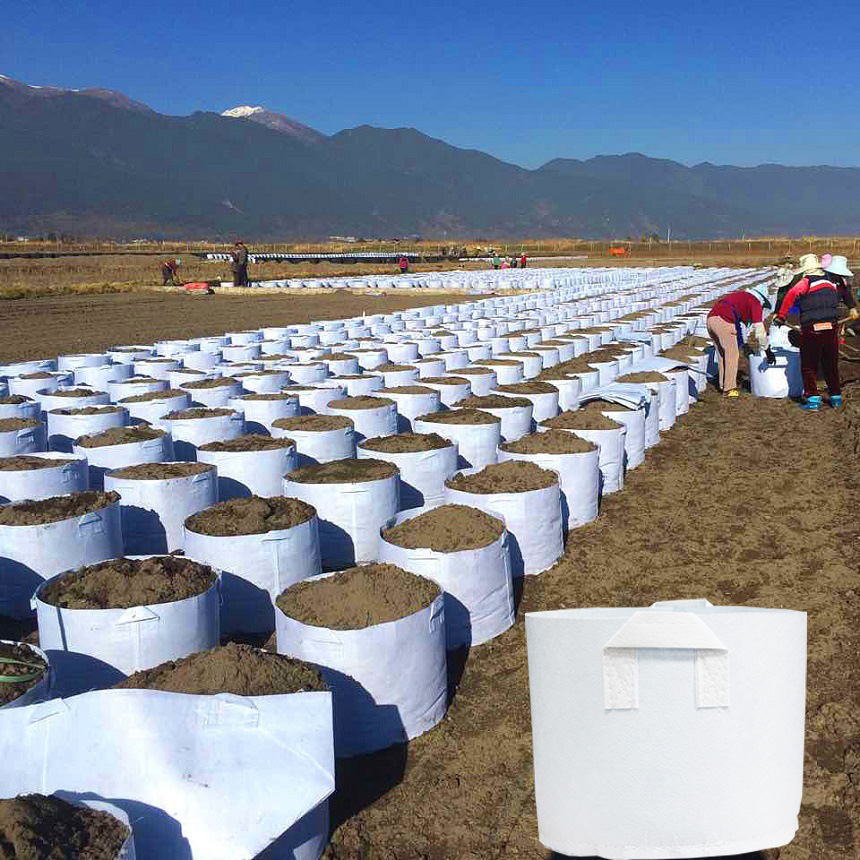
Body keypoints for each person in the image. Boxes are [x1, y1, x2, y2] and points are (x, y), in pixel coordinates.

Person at [775, 253, 859, 410]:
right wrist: (852, 308)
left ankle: (813, 399)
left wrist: (781, 316)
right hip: (830, 327)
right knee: (830, 364)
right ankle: (836, 397)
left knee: (808, 365)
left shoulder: (805, 282)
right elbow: (842, 295)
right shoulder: (831, 283)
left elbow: (790, 296)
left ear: (806, 270)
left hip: (812, 329)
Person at [706, 285, 774, 397]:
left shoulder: (740, 296)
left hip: (711, 319)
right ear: (762, 299)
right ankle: (729, 389)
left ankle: (723, 385)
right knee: (732, 355)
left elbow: (739, 325)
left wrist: (744, 345)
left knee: (723, 354)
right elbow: (759, 329)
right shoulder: (755, 302)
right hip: (724, 320)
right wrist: (767, 350)